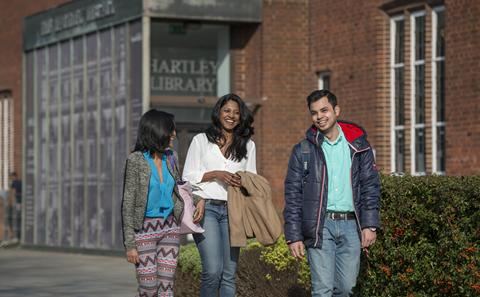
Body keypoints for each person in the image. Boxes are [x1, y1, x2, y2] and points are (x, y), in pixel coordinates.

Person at [284, 89, 380, 297]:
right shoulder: (303, 150)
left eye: (324, 110)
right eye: (314, 112)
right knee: (322, 290)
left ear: (336, 110)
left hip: (351, 226)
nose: (320, 116)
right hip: (320, 226)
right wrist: (293, 236)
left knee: (346, 288)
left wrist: (369, 225)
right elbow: (293, 195)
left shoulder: (359, 146)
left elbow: (370, 185)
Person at [121, 109, 203, 297]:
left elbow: (179, 186)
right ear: (157, 130)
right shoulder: (135, 160)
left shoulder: (171, 156)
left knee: (166, 287)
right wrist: (130, 244)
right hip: (144, 230)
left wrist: (198, 200)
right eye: (170, 129)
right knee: (148, 288)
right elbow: (127, 202)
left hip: (170, 228)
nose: (174, 134)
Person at [182, 93, 256, 297]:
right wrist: (215, 174)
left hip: (234, 211)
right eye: (227, 111)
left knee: (229, 274)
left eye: (236, 112)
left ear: (241, 117)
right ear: (218, 113)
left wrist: (242, 181)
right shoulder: (201, 140)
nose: (231, 115)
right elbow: (187, 177)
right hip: (207, 209)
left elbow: (252, 179)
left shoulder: (248, 145)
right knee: (213, 271)